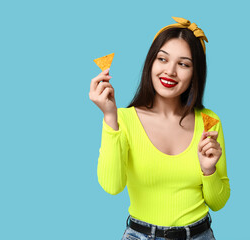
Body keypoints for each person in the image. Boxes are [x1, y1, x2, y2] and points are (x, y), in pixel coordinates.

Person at [89, 17, 230, 240]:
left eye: (183, 64)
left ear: (195, 72)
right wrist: (109, 117)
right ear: (150, 63)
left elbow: (218, 202)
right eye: (162, 59)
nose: (170, 71)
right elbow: (112, 186)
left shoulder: (209, 121)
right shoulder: (123, 119)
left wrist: (209, 170)